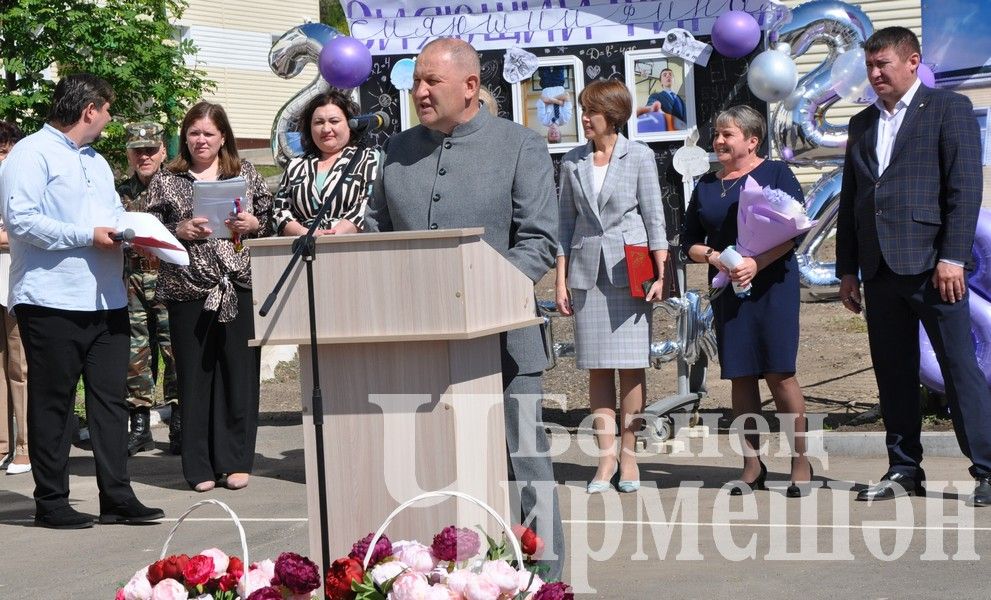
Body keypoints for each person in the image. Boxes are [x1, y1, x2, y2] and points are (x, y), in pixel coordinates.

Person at [364, 38, 565, 579]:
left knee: (524, 462)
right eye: (416, 81)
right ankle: (438, 575)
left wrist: (483, 292)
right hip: (418, 343)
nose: (420, 91)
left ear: (471, 86)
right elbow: (378, 231)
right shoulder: (396, 150)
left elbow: (539, 241)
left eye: (432, 81)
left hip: (505, 340)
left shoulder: (519, 146)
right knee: (426, 467)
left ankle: (545, 578)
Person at [0, 73, 164, 528]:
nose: (110, 120)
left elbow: (110, 215)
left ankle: (117, 497)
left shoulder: (94, 161)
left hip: (106, 299)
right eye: (107, 111)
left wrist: (137, 236)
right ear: (89, 109)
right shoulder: (30, 154)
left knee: (110, 401)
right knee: (54, 402)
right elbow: (21, 221)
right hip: (51, 300)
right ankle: (51, 502)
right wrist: (85, 235)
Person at [836, 27, 991, 506]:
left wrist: (952, 257)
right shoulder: (862, 124)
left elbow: (964, 191)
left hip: (933, 268)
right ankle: (904, 469)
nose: (875, 73)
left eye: (883, 64)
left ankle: (988, 469)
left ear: (912, 61)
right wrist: (847, 269)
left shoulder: (949, 110)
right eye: (870, 66)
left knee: (958, 368)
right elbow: (852, 200)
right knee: (893, 373)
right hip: (879, 270)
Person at [682, 105, 813, 497]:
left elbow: (794, 231)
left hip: (772, 284)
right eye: (717, 134)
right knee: (740, 375)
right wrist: (714, 257)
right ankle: (752, 465)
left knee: (779, 371)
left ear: (752, 141)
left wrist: (756, 262)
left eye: (728, 135)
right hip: (728, 286)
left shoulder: (775, 174)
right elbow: (687, 240)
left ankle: (800, 459)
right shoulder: (707, 184)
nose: (718, 141)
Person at [146, 101, 273, 492]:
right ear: (185, 137)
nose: (201, 140)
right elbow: (147, 230)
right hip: (189, 290)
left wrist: (253, 223)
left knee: (238, 374)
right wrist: (178, 229)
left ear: (223, 138)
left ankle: (235, 460)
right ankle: (198, 466)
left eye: (209, 133)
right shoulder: (168, 179)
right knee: (195, 377)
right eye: (194, 133)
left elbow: (268, 219)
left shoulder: (245, 173)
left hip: (237, 285)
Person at [554, 80, 668, 494]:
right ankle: (605, 458)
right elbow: (564, 224)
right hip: (586, 272)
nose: (584, 118)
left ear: (613, 115)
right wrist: (560, 278)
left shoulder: (639, 156)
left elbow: (655, 217)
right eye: (583, 110)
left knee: (631, 365)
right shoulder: (571, 161)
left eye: (591, 111)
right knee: (597, 367)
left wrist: (660, 273)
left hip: (631, 269)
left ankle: (630, 454)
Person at [117, 121, 180, 456]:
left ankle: (180, 423)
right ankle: (140, 426)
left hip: (169, 278)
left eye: (150, 150)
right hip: (133, 280)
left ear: (162, 151)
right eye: (137, 151)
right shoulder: (119, 192)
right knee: (135, 354)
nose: (144, 156)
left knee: (175, 351)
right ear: (129, 154)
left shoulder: (175, 185)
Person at [272, 90, 378, 237]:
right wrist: (306, 234)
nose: (326, 129)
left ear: (350, 124)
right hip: (303, 248)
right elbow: (280, 210)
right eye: (319, 122)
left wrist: (333, 235)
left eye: (334, 121)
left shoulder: (367, 158)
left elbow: (369, 204)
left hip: (352, 247)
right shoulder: (295, 166)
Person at [0, 120, 30, 476]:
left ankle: (25, 446)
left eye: (5, 150)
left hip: (16, 283)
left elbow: (23, 230)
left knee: (20, 367)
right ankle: (2, 444)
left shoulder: (21, 180)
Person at [534, 65, 573, 143]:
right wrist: (556, 101)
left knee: (543, 62)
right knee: (559, 61)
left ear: (547, 134)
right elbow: (567, 96)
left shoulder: (543, 120)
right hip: (559, 82)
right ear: (560, 133)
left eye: (551, 135)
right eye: (556, 134)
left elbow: (541, 100)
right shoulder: (565, 118)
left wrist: (561, 102)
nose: (553, 132)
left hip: (545, 83)